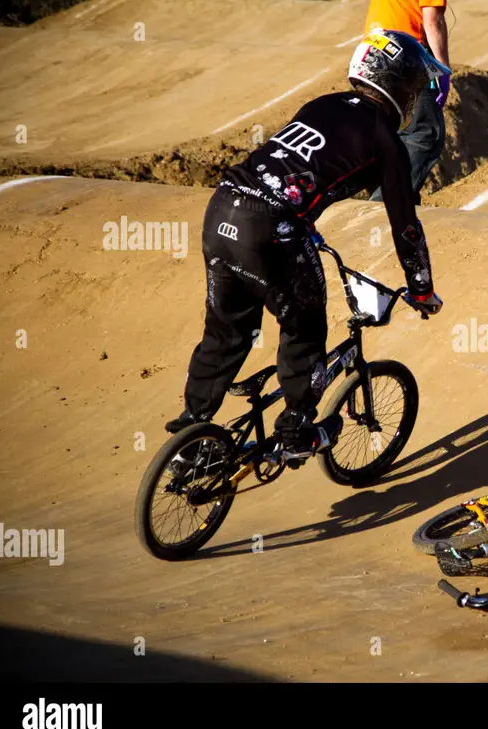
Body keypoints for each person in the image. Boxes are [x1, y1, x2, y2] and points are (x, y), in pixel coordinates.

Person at [164, 29, 449, 462]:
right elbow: (405, 225)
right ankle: (296, 430)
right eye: (412, 88)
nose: (413, 98)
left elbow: (297, 165)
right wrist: (422, 287)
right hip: (270, 229)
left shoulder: (322, 104)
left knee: (227, 329)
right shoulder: (385, 138)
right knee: (305, 325)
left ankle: (191, 430)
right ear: (397, 87)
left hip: (222, 207)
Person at [363, 0, 451, 204]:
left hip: (370, 53)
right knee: (424, 133)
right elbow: (433, 21)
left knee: (386, 133)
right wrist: (442, 70)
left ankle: (403, 203)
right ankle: (386, 203)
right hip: (404, 55)